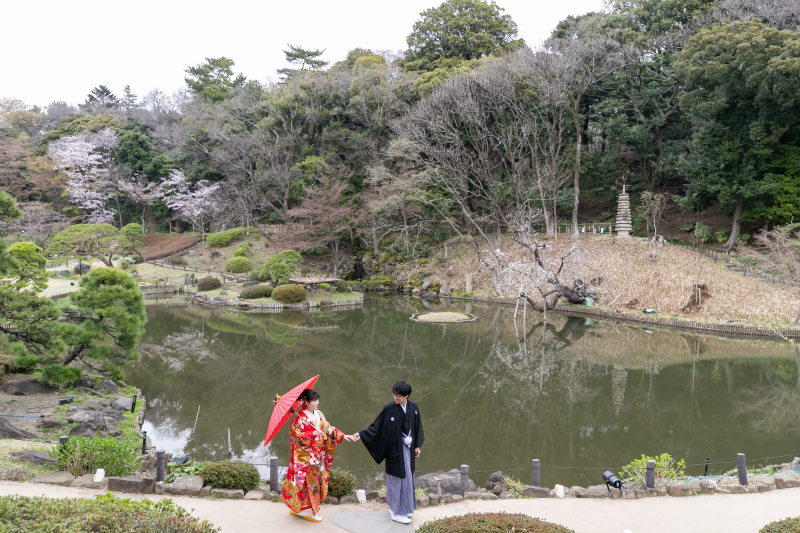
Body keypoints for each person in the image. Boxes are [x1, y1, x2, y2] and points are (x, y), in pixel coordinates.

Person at [352, 381, 424, 525]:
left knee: (408, 477)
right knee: (397, 480)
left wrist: (417, 445)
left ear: (406, 396)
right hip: (395, 451)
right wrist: (361, 434)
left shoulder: (413, 407)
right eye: (394, 394)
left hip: (408, 449)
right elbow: (376, 427)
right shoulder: (390, 408)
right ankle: (396, 511)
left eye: (398, 396)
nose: (395, 398)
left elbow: (417, 427)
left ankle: (406, 508)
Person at [282, 389, 355, 523]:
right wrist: (312, 434)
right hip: (305, 458)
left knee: (309, 484)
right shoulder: (299, 420)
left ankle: (297, 509)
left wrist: (344, 436)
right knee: (307, 484)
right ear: (306, 402)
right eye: (314, 400)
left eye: (317, 400)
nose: (317, 403)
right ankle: (309, 512)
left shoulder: (319, 414)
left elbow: (328, 429)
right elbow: (295, 437)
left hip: (317, 455)